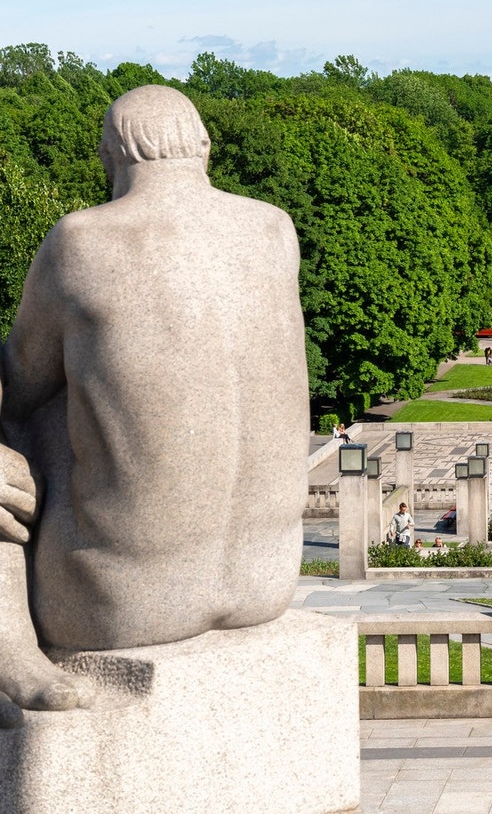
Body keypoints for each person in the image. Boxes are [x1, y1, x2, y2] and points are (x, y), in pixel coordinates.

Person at [0, 85, 309, 712]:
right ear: (203, 149)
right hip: (267, 580)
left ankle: (8, 647)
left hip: (117, 601)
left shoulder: (82, 242)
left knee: (24, 434)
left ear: (113, 157)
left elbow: (17, 386)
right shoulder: (274, 230)